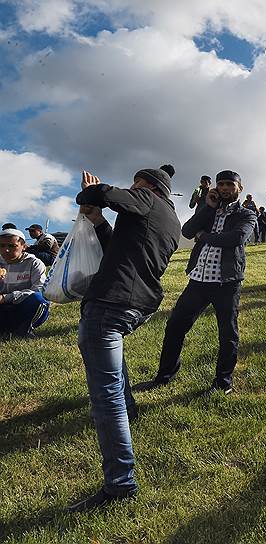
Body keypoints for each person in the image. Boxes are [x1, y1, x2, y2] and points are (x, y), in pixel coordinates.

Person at [69, 165, 181, 512]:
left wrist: (92, 193)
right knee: (112, 366)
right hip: (139, 302)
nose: (133, 188)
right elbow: (119, 248)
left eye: (137, 184)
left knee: (105, 397)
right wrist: (98, 219)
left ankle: (120, 483)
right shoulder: (171, 222)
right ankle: (129, 408)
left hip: (111, 301)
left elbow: (101, 194)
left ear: (148, 186)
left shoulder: (146, 199)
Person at [146, 169, 256, 396]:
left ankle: (223, 383)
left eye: (230, 185)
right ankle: (164, 375)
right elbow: (187, 231)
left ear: (239, 188)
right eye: (221, 184)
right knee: (175, 326)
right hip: (199, 280)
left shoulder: (246, 215)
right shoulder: (210, 210)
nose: (225, 188)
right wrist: (208, 206)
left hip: (227, 282)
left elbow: (236, 238)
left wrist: (204, 237)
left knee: (227, 334)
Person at [0, 228, 49, 338]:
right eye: (2, 246)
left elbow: (39, 289)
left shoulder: (34, 263)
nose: (6, 250)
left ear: (23, 246)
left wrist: (6, 298)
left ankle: (23, 329)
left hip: (22, 307)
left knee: (39, 299)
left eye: (12, 246)